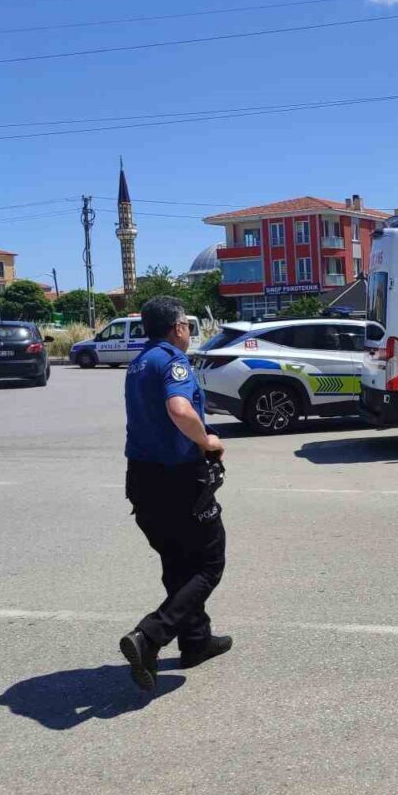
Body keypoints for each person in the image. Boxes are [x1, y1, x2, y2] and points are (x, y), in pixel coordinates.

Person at [119, 296, 231, 692]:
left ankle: (196, 641)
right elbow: (180, 409)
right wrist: (207, 442)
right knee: (209, 562)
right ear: (177, 327)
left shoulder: (139, 363)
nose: (187, 330)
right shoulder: (172, 360)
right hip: (178, 479)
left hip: (143, 480)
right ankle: (150, 636)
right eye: (186, 324)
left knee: (177, 562)